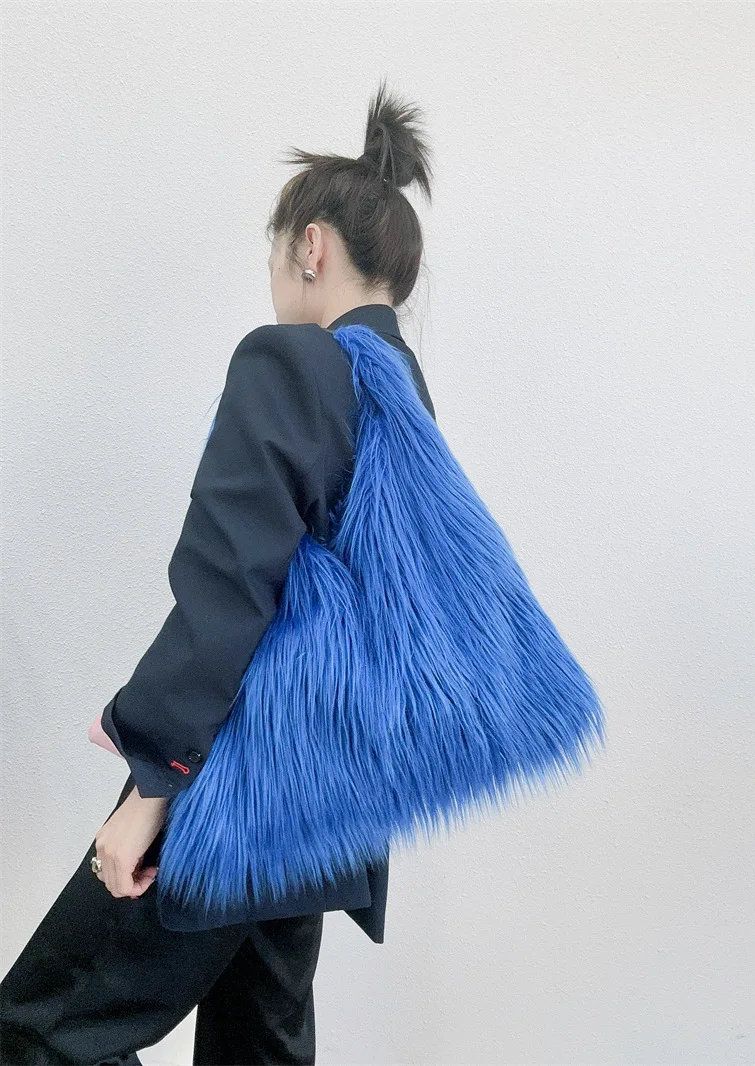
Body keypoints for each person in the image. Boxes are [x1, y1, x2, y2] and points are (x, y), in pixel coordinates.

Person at [0, 78, 435, 1066]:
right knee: (258, 1044)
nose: (276, 280)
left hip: (240, 780)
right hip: (332, 798)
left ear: (311, 246)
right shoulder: (407, 395)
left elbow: (232, 587)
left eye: (277, 257)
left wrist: (151, 785)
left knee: (37, 1033)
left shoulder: (293, 361)